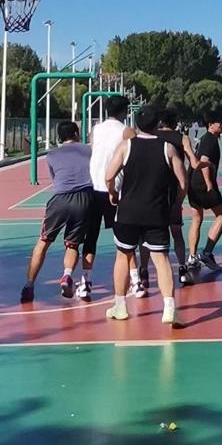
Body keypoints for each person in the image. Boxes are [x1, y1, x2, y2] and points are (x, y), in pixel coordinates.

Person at [104, 105, 187, 325]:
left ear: (136, 124)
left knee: (123, 255)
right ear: (157, 124)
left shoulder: (126, 146)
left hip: (128, 212)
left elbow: (109, 175)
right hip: (156, 212)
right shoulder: (168, 148)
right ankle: (169, 307)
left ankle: (120, 305)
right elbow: (183, 181)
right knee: (161, 259)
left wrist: (112, 193)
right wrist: (176, 203)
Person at [20, 122, 94, 303]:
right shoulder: (88, 150)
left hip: (60, 199)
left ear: (59, 137)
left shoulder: (52, 155)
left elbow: (56, 179)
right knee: (73, 245)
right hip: (84, 198)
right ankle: (67, 275)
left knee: (43, 242)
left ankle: (29, 284)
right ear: (76, 134)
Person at [88, 96, 143, 298]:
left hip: (94, 187)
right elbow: (136, 159)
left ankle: (85, 281)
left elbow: (93, 150)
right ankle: (135, 281)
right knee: (125, 239)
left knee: (90, 237)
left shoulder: (95, 130)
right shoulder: (126, 131)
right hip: (115, 189)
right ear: (125, 112)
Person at [156, 108, 206, 286]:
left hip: (154, 190)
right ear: (175, 122)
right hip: (174, 189)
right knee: (176, 232)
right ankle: (182, 267)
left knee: (149, 234)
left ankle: (143, 272)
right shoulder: (182, 138)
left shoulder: (151, 136)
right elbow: (193, 162)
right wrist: (207, 164)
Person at [187, 113, 222, 273]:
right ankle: (207, 252)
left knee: (197, 218)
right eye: (219, 122)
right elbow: (204, 160)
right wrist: (209, 183)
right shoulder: (209, 139)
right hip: (203, 184)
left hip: (193, 183)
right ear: (210, 124)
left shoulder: (206, 138)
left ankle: (192, 257)